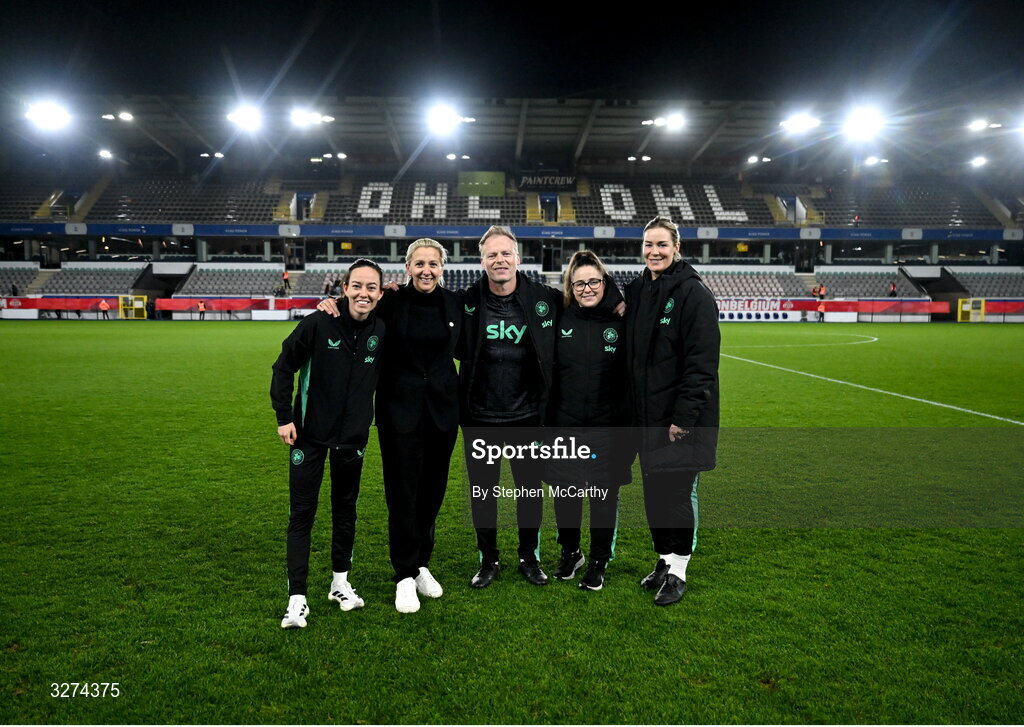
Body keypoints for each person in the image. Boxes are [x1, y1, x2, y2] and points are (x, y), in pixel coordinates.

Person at [318, 239, 463, 614]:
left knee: (432, 494)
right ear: (407, 267)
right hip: (399, 414)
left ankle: (420, 566)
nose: (426, 270)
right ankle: (402, 575)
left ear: (442, 268)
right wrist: (328, 304)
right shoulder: (391, 301)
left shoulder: (456, 304)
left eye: (433, 263)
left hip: (443, 415)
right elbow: (355, 312)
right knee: (402, 495)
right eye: (419, 263)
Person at [270, 259, 385, 629]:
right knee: (302, 515)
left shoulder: (382, 330)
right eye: (357, 286)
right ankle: (297, 598)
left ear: (380, 293)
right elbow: (283, 366)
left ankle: (340, 583)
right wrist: (284, 417)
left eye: (372, 287)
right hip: (309, 436)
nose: (363, 293)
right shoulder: (319, 323)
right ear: (344, 288)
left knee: (345, 511)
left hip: (352, 439)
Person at [624, 216, 720, 606]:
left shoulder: (694, 294)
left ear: (677, 247)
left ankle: (679, 570)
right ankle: (664, 560)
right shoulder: (638, 289)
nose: (654, 251)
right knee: (654, 494)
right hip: (646, 419)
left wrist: (683, 418)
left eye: (662, 244)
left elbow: (702, 365)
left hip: (680, 420)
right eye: (648, 244)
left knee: (676, 494)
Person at [460, 226, 561, 588]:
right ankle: (488, 559)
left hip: (527, 418)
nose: (499, 260)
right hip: (479, 418)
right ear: (482, 260)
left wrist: (615, 298)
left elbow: (588, 300)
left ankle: (528, 556)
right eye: (492, 254)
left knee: (529, 493)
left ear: (517, 258)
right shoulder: (466, 300)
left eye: (506, 254)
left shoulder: (544, 298)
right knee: (483, 494)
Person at [545, 250, 632, 591]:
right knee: (564, 492)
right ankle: (571, 551)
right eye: (578, 283)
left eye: (593, 281)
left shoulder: (623, 318)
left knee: (602, 496)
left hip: (607, 427)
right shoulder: (561, 316)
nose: (586, 288)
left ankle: (598, 560)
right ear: (570, 286)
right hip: (564, 424)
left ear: (605, 281)